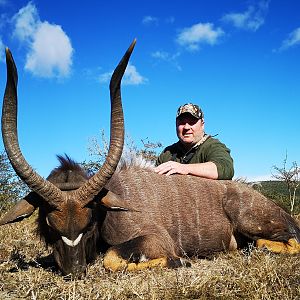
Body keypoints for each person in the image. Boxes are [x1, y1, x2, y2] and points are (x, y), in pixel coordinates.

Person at [154, 103, 234, 180]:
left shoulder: (213, 146)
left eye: (192, 122)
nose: (186, 127)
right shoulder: (167, 153)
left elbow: (226, 168)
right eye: (181, 123)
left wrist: (184, 168)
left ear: (202, 124)